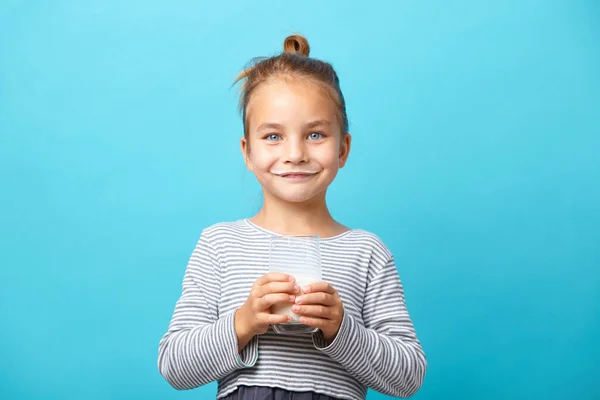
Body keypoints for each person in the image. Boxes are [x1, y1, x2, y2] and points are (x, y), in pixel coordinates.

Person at [157, 34, 427, 400]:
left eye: (315, 134)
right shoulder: (220, 244)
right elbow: (175, 365)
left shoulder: (366, 252)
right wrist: (243, 322)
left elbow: (408, 376)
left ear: (342, 148)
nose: (295, 153)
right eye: (273, 136)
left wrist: (341, 329)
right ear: (247, 152)